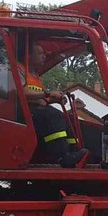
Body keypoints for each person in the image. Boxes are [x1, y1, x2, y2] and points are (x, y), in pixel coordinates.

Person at [17, 38, 89, 168]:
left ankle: (73, 151)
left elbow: (41, 97)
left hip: (37, 113)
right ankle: (61, 156)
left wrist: (54, 99)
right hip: (24, 115)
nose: (44, 56)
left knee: (68, 118)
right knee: (54, 116)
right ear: (28, 55)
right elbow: (20, 92)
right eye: (40, 53)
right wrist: (48, 94)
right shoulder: (19, 69)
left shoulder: (35, 75)